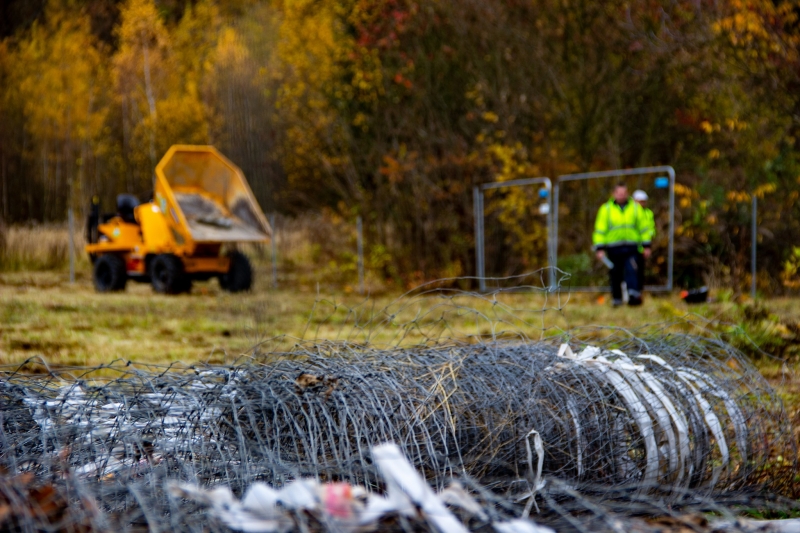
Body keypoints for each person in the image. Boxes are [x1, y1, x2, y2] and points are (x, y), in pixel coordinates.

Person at [593, 183, 651, 306]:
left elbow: (644, 228)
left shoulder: (635, 208)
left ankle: (633, 296)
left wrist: (646, 245)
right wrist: (600, 248)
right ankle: (617, 299)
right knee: (615, 273)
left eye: (623, 193)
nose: (621, 196)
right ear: (614, 194)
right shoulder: (606, 209)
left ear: (627, 193)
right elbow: (600, 230)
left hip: (631, 246)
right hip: (613, 247)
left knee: (632, 269)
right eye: (619, 193)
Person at [633, 190, 655, 294]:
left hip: (643, 246)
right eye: (640, 201)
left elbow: (649, 229)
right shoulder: (631, 212)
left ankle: (639, 292)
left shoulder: (648, 213)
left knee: (640, 271)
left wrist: (647, 245)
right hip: (632, 246)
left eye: (643, 201)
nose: (642, 203)